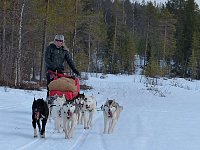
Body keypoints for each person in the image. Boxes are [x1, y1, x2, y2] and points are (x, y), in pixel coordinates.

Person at [44, 34, 80, 98]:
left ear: (62, 42)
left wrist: (74, 69)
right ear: (54, 41)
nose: (58, 42)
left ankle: (60, 101)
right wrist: (55, 67)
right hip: (51, 71)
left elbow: (69, 61)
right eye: (57, 40)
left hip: (60, 71)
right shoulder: (50, 48)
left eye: (60, 41)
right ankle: (49, 100)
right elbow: (47, 59)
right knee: (51, 87)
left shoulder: (64, 51)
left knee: (60, 87)